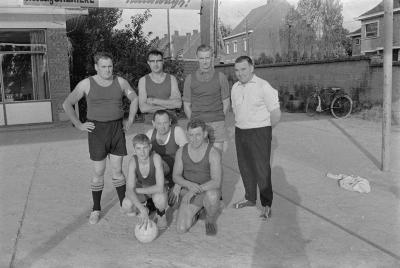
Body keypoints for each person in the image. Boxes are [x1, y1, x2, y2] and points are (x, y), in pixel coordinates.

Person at [63, 52, 138, 224]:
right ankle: (96, 208)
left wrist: (131, 119)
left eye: (110, 66)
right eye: (103, 66)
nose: (107, 70)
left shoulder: (120, 82)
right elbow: (67, 103)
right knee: (99, 171)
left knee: (118, 170)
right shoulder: (86, 84)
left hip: (116, 129)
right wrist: (79, 124)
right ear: (96, 67)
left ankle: (123, 204)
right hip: (97, 131)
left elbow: (134, 98)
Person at [231, 56, 281, 220]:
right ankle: (249, 198)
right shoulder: (235, 88)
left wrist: (265, 130)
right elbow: (236, 111)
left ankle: (267, 205)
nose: (240, 73)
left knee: (262, 170)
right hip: (240, 132)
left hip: (259, 132)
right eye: (237, 70)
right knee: (245, 167)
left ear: (252, 68)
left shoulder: (263, 86)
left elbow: (275, 114)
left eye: (243, 69)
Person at [173, 119, 222, 236]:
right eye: (191, 135)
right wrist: (190, 186)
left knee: (213, 196)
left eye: (198, 135)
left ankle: (210, 219)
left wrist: (193, 191)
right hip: (188, 191)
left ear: (205, 134)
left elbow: (216, 182)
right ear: (187, 134)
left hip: (206, 192)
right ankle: (197, 211)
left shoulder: (213, 153)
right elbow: (176, 176)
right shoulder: (181, 151)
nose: (194, 139)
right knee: (181, 229)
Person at [182, 44, 230, 152]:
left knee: (216, 158)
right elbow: (186, 105)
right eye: (201, 58)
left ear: (212, 58)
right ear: (197, 58)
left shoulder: (221, 77)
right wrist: (194, 122)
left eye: (207, 58)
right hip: (198, 124)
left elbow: (226, 102)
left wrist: (220, 119)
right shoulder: (190, 79)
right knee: (200, 158)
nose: (205, 61)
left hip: (217, 123)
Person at [121, 134, 168, 229]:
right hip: (144, 190)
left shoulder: (156, 158)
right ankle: (145, 207)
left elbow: (159, 188)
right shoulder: (133, 161)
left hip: (155, 190)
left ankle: (161, 214)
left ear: (150, 147)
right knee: (126, 205)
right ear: (134, 149)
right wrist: (141, 209)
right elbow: (129, 189)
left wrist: (136, 190)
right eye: (138, 148)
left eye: (145, 148)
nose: (142, 152)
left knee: (160, 199)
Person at [145, 110, 188, 206]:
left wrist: (178, 185)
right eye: (159, 123)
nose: (162, 126)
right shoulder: (149, 134)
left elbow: (187, 159)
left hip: (177, 173)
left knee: (178, 201)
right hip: (160, 175)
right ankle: (153, 196)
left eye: (165, 123)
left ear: (170, 122)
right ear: (153, 123)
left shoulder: (177, 131)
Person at [138, 49, 182, 123]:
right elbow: (143, 108)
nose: (155, 64)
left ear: (163, 61)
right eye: (152, 61)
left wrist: (154, 101)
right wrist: (169, 105)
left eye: (158, 61)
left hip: (170, 120)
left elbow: (178, 104)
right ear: (148, 62)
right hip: (151, 122)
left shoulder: (171, 78)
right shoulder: (143, 80)